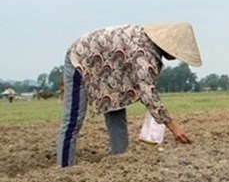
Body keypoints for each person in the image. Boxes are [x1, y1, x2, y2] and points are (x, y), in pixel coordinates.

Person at [56, 22, 203, 167]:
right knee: (73, 119)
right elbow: (148, 94)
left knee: (115, 107)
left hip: (109, 69)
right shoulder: (143, 53)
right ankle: (63, 168)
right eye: (176, 51)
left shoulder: (148, 45)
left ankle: (121, 162)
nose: (176, 57)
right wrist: (173, 126)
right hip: (81, 59)